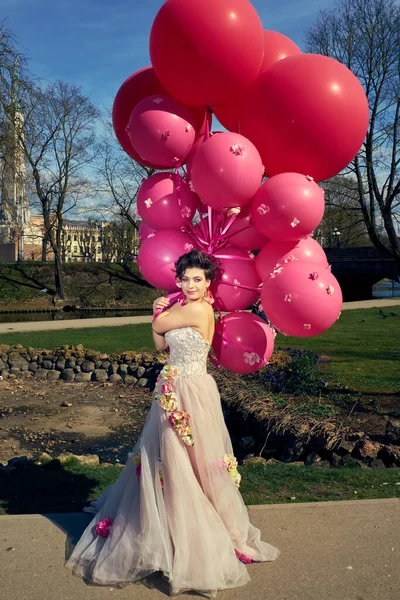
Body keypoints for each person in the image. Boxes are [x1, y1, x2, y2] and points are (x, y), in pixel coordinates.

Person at [65, 249, 279, 598]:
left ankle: (195, 533)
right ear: (178, 279)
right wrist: (158, 311)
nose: (191, 284)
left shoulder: (197, 308)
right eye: (185, 279)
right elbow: (161, 343)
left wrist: (160, 310)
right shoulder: (184, 307)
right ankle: (172, 527)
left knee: (191, 462)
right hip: (173, 386)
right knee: (171, 459)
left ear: (208, 282)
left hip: (189, 390)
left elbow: (161, 325)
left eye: (198, 279)